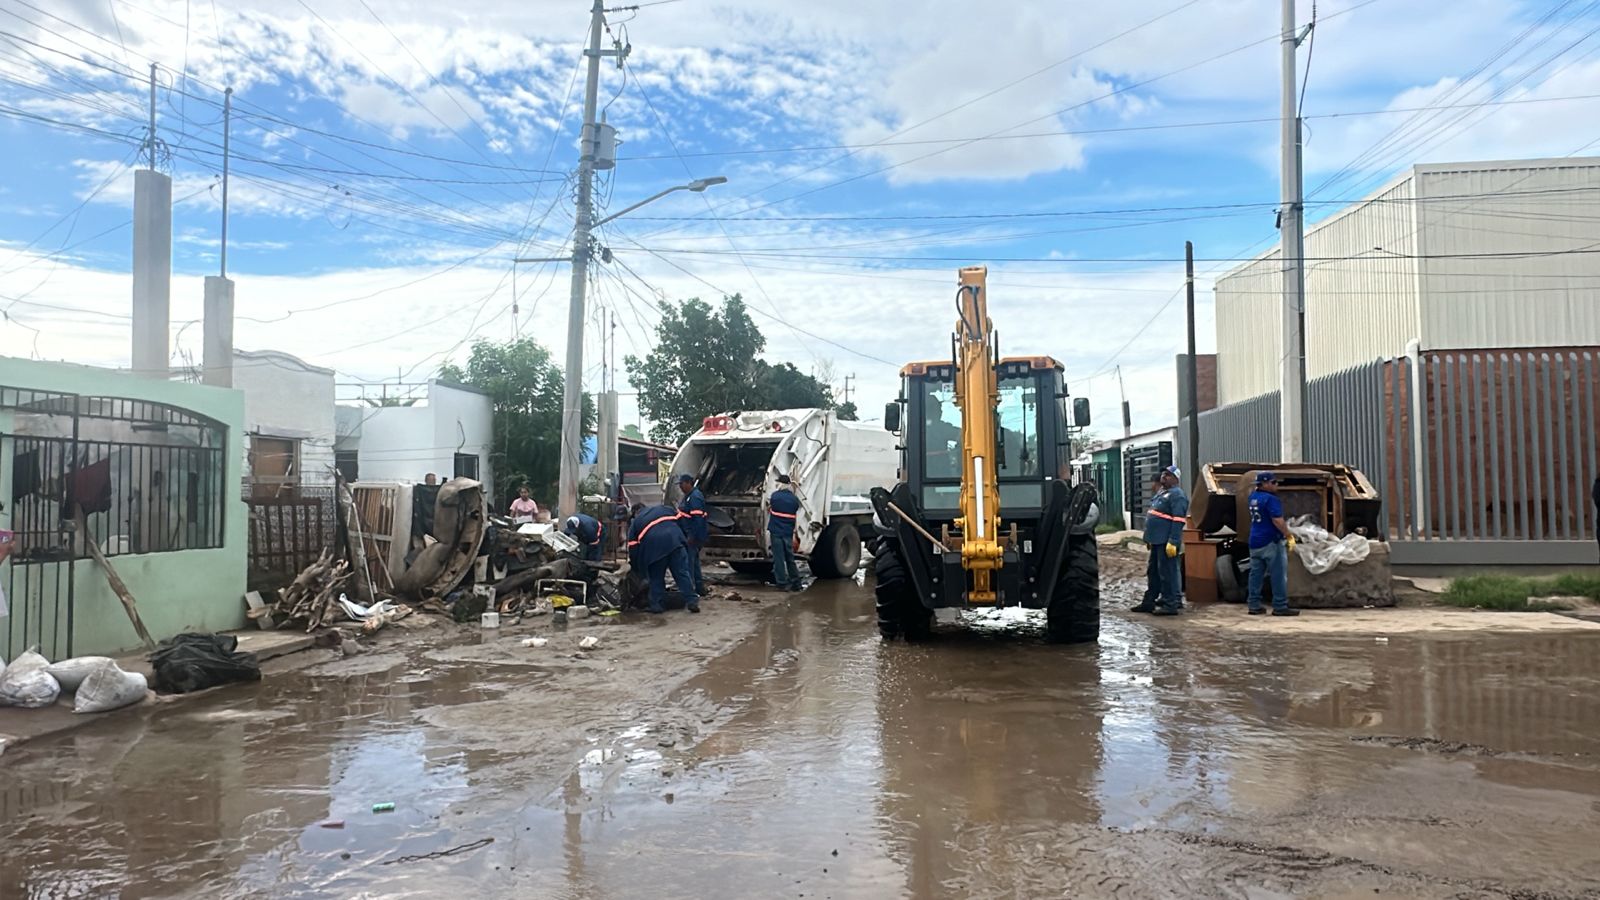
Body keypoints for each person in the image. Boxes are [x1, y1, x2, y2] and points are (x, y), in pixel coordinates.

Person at [1132, 464, 1188, 616]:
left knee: (1167, 573)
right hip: (1156, 540)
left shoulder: (1178, 495)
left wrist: (1173, 540)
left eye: (1168, 475)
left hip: (1166, 541)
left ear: (1175, 479)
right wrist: (1148, 538)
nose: (1164, 476)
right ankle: (1149, 601)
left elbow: (1178, 520)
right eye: (1163, 474)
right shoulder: (1162, 493)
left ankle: (1170, 604)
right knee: (1154, 572)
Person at [626, 503, 700, 614]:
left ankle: (657, 606)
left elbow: (633, 547)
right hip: (675, 542)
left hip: (654, 549)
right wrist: (685, 539)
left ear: (635, 513)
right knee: (682, 573)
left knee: (656, 577)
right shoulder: (665, 508)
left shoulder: (636, 522)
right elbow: (683, 523)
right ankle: (692, 601)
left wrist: (637, 567)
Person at [1246, 471, 1299, 617]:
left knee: (1255, 575)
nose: (1277, 485)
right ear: (1265, 484)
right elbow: (1277, 520)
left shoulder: (1252, 497)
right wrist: (1289, 536)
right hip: (1271, 542)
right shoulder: (1271, 499)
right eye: (1274, 482)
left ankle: (1254, 605)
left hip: (1255, 541)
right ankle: (1280, 606)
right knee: (1278, 575)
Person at [767, 473, 803, 592]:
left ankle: (782, 583)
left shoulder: (775, 496)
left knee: (779, 558)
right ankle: (796, 582)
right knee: (790, 558)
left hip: (776, 532)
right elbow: (795, 509)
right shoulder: (794, 499)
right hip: (787, 532)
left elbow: (770, 507)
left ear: (780, 484)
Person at [676, 473, 709, 597]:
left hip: (692, 537)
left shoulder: (694, 497)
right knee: (694, 563)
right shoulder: (689, 496)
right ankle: (699, 588)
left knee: (688, 564)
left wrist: (692, 536)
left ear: (688, 483)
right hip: (689, 535)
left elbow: (698, 519)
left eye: (681, 484)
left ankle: (691, 591)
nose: (680, 487)